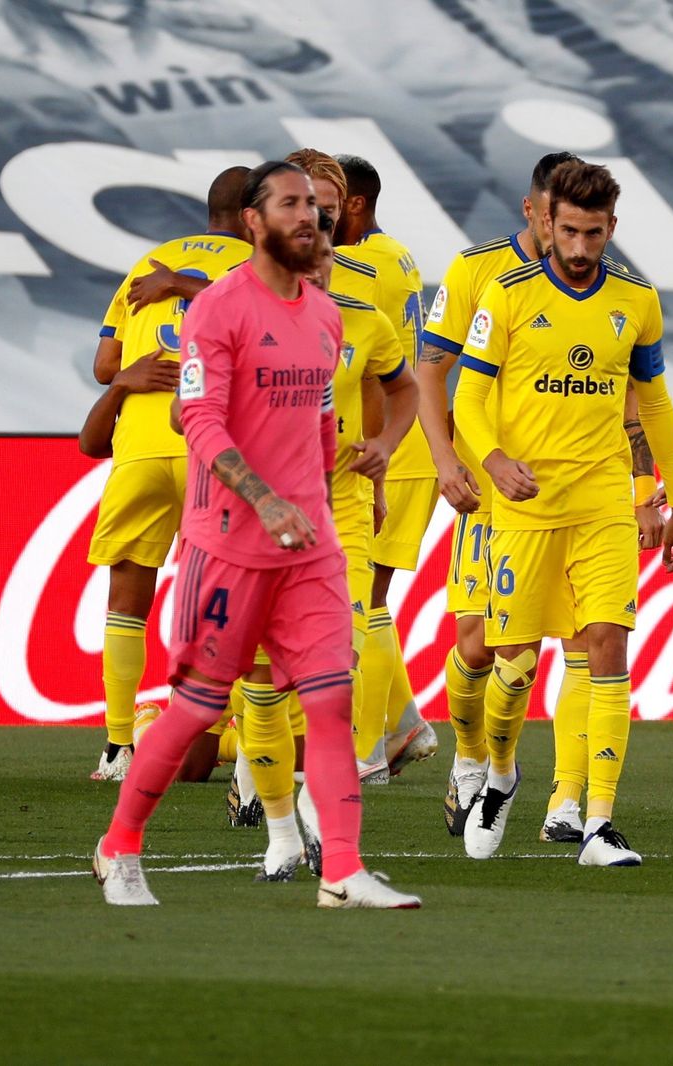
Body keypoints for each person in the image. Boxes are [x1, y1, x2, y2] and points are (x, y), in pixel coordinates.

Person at [92, 161, 420, 909]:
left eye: (317, 207)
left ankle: (341, 868)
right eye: (292, 205)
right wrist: (264, 499)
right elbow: (196, 419)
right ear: (253, 222)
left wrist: (358, 486)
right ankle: (118, 845)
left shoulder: (328, 314)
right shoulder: (218, 311)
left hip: (310, 544)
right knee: (200, 707)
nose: (311, 218)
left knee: (332, 701)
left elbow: (319, 423)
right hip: (232, 543)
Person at [450, 160, 673, 867]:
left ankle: (599, 824)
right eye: (570, 231)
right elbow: (467, 395)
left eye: (594, 232)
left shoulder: (637, 299)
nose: (582, 247)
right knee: (514, 665)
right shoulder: (509, 293)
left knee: (608, 645)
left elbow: (654, 403)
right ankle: (499, 776)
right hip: (524, 507)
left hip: (602, 500)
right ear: (546, 224)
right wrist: (493, 460)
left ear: (611, 228)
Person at [233, 209, 419, 881]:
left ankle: (319, 816)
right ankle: (281, 833)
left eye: (324, 250)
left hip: (338, 501)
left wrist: (384, 452)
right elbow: (188, 409)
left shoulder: (362, 321)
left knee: (336, 660)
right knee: (258, 679)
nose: (316, 264)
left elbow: (403, 389)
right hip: (257, 506)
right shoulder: (238, 312)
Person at [85, 166, 252, 782]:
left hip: (140, 448)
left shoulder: (148, 263)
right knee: (222, 604)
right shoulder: (257, 267)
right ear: (254, 213)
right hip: (215, 449)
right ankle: (219, 740)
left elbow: (106, 364)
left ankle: (118, 745)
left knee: (127, 600)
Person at [332, 153, 438, 784]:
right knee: (369, 602)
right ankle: (403, 726)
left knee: (362, 603)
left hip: (384, 447)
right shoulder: (395, 253)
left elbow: (368, 366)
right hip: (401, 444)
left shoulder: (361, 268)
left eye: (323, 204)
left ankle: (366, 749)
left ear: (353, 205)